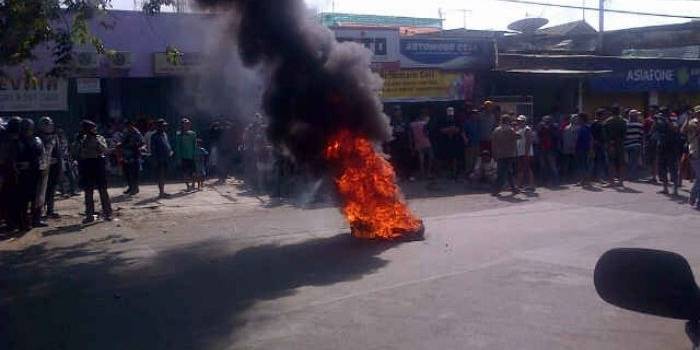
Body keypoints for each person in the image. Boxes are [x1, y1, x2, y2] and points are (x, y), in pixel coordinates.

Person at [77, 120, 113, 223]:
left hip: (98, 164)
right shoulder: (80, 139)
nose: (93, 130)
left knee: (103, 190)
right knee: (88, 191)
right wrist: (81, 141)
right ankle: (89, 214)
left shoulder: (99, 138)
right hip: (86, 165)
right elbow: (75, 151)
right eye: (90, 129)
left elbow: (104, 150)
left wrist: (94, 139)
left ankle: (107, 213)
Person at [15, 119, 44, 231]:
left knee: (37, 198)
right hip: (23, 175)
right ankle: (23, 223)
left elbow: (41, 156)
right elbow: (14, 158)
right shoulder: (18, 142)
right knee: (23, 200)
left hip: (36, 172)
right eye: (26, 128)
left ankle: (36, 219)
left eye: (29, 128)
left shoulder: (37, 140)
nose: (28, 131)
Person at [653, 111, 683, 196]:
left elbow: (676, 130)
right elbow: (654, 130)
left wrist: (667, 122)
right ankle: (665, 188)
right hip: (663, 148)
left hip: (671, 149)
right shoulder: (659, 123)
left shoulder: (673, 122)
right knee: (663, 169)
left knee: (673, 169)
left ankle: (675, 189)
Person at [37, 117, 62, 220]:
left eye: (50, 124)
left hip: (54, 168)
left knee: (52, 190)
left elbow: (58, 152)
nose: (50, 126)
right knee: (42, 190)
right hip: (42, 169)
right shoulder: (38, 138)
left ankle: (50, 211)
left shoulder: (54, 137)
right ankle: (40, 211)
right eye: (47, 124)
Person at [490, 115, 519, 196]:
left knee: (507, 171)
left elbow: (493, 143)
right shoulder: (510, 130)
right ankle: (496, 190)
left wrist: (494, 153)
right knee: (503, 173)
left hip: (499, 154)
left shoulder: (496, 130)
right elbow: (518, 137)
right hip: (509, 154)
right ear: (507, 121)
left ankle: (513, 188)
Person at [603, 107, 628, 187]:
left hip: (611, 144)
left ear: (611, 112)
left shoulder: (607, 121)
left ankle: (611, 181)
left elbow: (605, 135)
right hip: (620, 144)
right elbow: (625, 134)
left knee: (611, 162)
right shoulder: (623, 121)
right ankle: (620, 181)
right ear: (619, 112)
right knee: (621, 162)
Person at [387, 106, 413, 181]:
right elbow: (388, 132)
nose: (397, 112)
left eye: (398, 110)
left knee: (407, 159)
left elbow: (409, 132)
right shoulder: (391, 121)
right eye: (395, 110)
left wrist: (411, 143)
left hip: (405, 143)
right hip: (395, 144)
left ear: (401, 111)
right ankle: (398, 175)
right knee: (397, 160)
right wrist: (388, 144)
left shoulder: (405, 120)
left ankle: (409, 175)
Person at [682, 106, 700, 208]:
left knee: (699, 178)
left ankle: (693, 198)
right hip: (695, 152)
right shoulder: (692, 122)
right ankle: (697, 201)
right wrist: (688, 118)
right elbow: (683, 130)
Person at [120, 120, 144, 195]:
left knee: (134, 173)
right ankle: (130, 187)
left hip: (134, 155)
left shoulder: (137, 133)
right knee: (127, 172)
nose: (127, 127)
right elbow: (122, 141)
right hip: (126, 155)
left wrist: (136, 146)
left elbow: (142, 143)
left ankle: (135, 188)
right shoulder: (126, 132)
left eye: (129, 125)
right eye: (126, 126)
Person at [150, 118, 173, 198]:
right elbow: (153, 149)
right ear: (158, 127)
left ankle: (162, 191)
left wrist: (170, 151)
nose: (164, 127)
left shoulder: (164, 134)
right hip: (159, 159)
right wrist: (155, 160)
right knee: (160, 176)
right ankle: (161, 192)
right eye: (162, 126)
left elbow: (167, 144)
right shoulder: (154, 136)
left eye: (164, 126)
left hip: (166, 158)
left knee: (164, 176)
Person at [536, 115, 560, 186]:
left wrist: (549, 128)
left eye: (547, 121)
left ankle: (555, 181)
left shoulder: (554, 127)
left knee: (552, 166)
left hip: (551, 149)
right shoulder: (541, 127)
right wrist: (541, 127)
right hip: (542, 148)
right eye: (545, 120)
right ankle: (544, 181)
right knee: (543, 166)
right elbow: (538, 134)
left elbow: (556, 136)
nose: (546, 122)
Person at [175, 118, 197, 192]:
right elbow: (178, 146)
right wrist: (179, 157)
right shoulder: (179, 135)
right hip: (183, 156)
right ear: (182, 125)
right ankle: (188, 186)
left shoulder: (193, 134)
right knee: (185, 172)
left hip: (192, 156)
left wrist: (195, 154)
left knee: (194, 172)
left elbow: (195, 145)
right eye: (185, 124)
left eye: (188, 124)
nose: (187, 125)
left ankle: (193, 185)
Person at [410, 110, 433, 180]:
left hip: (418, 142)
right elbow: (426, 133)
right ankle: (428, 173)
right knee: (430, 157)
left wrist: (411, 144)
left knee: (421, 158)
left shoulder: (412, 125)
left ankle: (422, 173)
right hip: (426, 142)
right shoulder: (424, 123)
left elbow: (410, 135)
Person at [515, 115, 535, 191]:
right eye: (519, 121)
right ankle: (520, 185)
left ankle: (531, 185)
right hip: (521, 152)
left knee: (526, 168)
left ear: (524, 122)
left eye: (521, 121)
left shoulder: (527, 129)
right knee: (522, 169)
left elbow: (528, 142)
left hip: (525, 153)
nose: (519, 122)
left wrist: (526, 153)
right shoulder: (519, 129)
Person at [590, 109, 609, 183]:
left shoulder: (602, 123)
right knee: (599, 161)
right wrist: (595, 143)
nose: (605, 116)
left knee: (599, 161)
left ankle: (595, 177)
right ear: (600, 115)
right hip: (598, 145)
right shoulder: (596, 124)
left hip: (601, 144)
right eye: (604, 114)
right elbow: (592, 135)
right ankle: (598, 177)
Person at [624, 110, 644, 180]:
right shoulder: (640, 125)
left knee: (628, 161)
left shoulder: (626, 125)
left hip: (626, 145)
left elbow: (624, 135)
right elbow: (641, 135)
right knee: (634, 161)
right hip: (636, 144)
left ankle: (627, 175)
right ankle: (632, 176)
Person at [574, 113, 593, 186]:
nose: (577, 120)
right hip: (579, 148)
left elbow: (591, 138)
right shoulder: (580, 127)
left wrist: (591, 149)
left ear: (582, 119)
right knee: (581, 165)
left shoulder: (586, 127)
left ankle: (586, 180)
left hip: (584, 149)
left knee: (584, 165)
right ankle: (583, 180)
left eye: (578, 118)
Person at [560, 115, 579, 182]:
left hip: (576, 149)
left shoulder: (578, 128)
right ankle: (565, 178)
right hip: (568, 149)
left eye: (576, 119)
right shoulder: (566, 128)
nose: (575, 120)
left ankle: (574, 178)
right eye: (574, 119)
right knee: (566, 164)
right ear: (571, 120)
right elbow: (565, 139)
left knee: (574, 165)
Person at [462, 109, 480, 175]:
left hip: (477, 143)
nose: (475, 115)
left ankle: (473, 172)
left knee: (476, 158)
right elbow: (463, 133)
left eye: (476, 114)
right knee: (469, 159)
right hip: (470, 143)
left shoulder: (478, 122)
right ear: (471, 115)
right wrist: (465, 140)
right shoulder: (467, 122)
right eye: (474, 114)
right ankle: (468, 172)